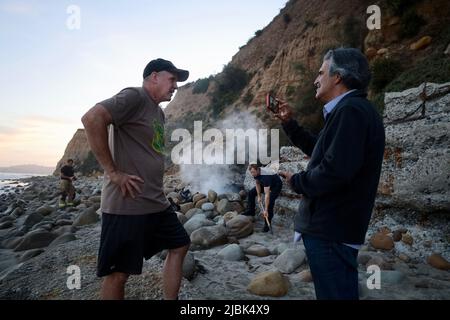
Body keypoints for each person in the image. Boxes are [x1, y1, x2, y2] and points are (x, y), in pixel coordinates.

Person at [276, 48, 385, 300]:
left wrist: (297, 181)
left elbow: (335, 171)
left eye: (321, 72)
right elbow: (322, 152)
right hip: (336, 228)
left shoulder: (351, 111)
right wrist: (290, 124)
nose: (316, 79)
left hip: (330, 229)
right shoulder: (350, 110)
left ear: (338, 77)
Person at [81, 58, 191, 300]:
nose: (175, 86)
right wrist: (113, 172)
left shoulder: (158, 113)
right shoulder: (134, 96)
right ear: (154, 76)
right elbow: (91, 118)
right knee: (119, 274)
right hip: (127, 204)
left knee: (180, 244)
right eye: (172, 79)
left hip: (154, 202)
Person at [243, 163, 282, 232]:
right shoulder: (256, 173)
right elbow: (258, 183)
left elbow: (267, 194)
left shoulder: (265, 176)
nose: (252, 174)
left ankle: (267, 224)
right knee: (251, 193)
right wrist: (259, 196)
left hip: (276, 185)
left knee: (269, 203)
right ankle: (251, 211)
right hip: (265, 183)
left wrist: (266, 210)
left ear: (258, 170)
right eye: (251, 172)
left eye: (253, 172)